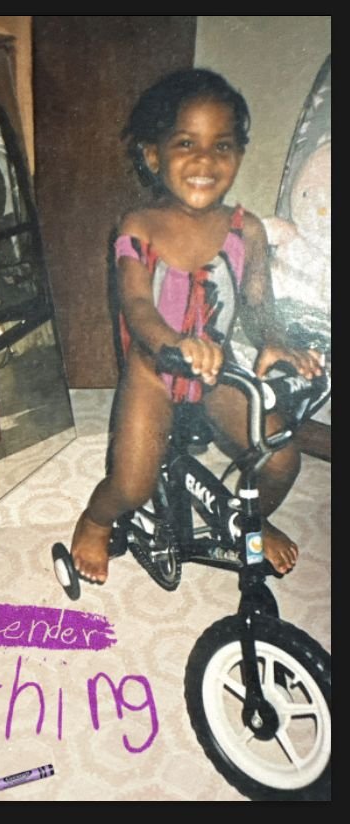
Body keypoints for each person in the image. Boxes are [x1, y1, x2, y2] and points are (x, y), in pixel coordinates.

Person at [71, 68, 323, 584]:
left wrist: (278, 339)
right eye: (187, 143)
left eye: (222, 145)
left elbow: (257, 304)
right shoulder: (138, 227)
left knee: (282, 458)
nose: (205, 160)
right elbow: (137, 307)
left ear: (237, 156)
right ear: (153, 154)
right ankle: (95, 521)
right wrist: (176, 344)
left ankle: (250, 519)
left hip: (215, 373)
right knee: (132, 483)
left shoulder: (246, 230)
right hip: (152, 376)